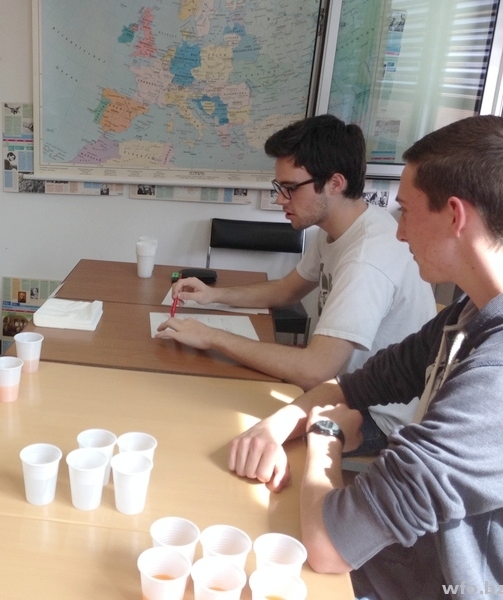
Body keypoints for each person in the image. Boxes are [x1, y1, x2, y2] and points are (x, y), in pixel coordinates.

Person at [228, 115, 503, 599]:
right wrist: (278, 424)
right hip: (399, 559)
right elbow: (353, 385)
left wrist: (325, 435)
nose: (400, 233)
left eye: (405, 212)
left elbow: (329, 546)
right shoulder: (471, 312)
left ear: (455, 216)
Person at [156, 114, 436, 454]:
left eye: (290, 188)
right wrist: (214, 295)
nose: (280, 199)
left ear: (335, 183)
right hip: (338, 387)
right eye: (280, 188)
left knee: (220, 424)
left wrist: (212, 336)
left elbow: (314, 371)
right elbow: (287, 290)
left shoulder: (367, 258)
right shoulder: (338, 229)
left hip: (377, 417)